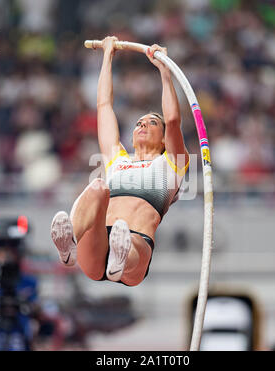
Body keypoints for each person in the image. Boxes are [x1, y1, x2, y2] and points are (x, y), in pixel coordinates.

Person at [51, 36, 189, 287]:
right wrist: (107, 56)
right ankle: (70, 245)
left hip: (135, 248)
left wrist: (164, 71)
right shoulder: (117, 159)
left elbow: (173, 121)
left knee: (126, 237)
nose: (142, 124)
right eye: (138, 123)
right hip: (96, 246)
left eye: (151, 122)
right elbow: (104, 106)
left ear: (164, 140)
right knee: (98, 187)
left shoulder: (172, 164)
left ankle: (119, 257)